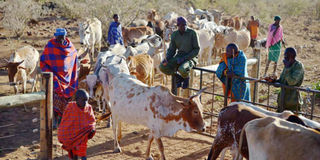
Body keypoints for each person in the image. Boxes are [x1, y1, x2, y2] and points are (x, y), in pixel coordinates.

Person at [40, 28, 78, 128]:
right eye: (58, 37)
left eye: (62, 37)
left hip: (67, 79)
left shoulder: (70, 47)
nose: (60, 39)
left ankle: (63, 119)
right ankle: (54, 120)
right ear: (55, 36)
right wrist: (49, 73)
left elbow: (73, 61)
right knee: (53, 96)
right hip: (54, 77)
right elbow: (43, 60)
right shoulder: (50, 46)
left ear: (65, 37)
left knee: (67, 99)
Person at [159, 16, 200, 89]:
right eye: (181, 25)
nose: (184, 27)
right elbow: (172, 50)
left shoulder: (192, 33)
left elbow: (196, 49)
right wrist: (167, 59)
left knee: (182, 69)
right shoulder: (175, 34)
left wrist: (184, 58)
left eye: (185, 25)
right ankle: (179, 77)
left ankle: (186, 78)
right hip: (179, 56)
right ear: (178, 26)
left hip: (191, 57)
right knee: (162, 67)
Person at [58, 89, 96, 160]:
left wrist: (92, 129)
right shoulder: (70, 107)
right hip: (71, 135)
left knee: (83, 153)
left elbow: (92, 121)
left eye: (86, 100)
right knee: (73, 153)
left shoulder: (89, 107)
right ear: (77, 99)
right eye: (83, 100)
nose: (85, 102)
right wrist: (64, 135)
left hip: (83, 135)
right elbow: (65, 123)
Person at [265, 47, 304, 112]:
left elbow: (292, 82)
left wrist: (288, 68)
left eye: (286, 56)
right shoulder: (287, 64)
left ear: (291, 57)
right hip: (282, 102)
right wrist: (273, 81)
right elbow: (282, 81)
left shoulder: (298, 66)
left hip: (292, 104)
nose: (284, 58)